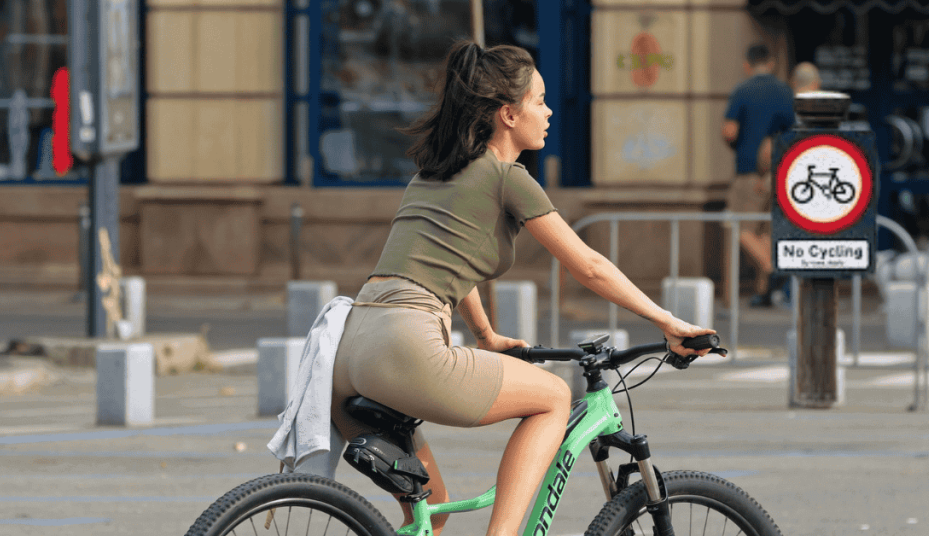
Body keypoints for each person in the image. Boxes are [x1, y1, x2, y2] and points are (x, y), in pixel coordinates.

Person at [329, 40, 715, 536]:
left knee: (432, 514)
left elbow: (446, 266)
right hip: (407, 345)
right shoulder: (508, 177)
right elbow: (590, 266)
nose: (549, 111)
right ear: (508, 115)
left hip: (352, 350)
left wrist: (487, 336)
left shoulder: (433, 173)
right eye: (539, 100)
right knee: (554, 396)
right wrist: (669, 321)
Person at [721, 44, 796, 308]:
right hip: (779, 173)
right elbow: (791, 133)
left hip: (749, 173)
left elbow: (730, 131)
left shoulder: (743, 91)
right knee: (765, 232)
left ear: (747, 65)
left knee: (738, 227)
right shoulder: (785, 92)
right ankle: (764, 293)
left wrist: (738, 146)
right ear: (771, 63)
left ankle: (772, 267)